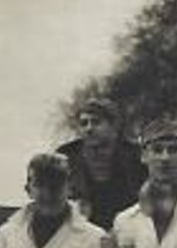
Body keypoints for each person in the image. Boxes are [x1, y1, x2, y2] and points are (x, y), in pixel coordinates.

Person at [57, 97, 147, 232]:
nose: (89, 128)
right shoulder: (67, 156)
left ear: (113, 126)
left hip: (129, 230)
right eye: (84, 123)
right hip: (81, 231)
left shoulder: (135, 155)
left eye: (96, 122)